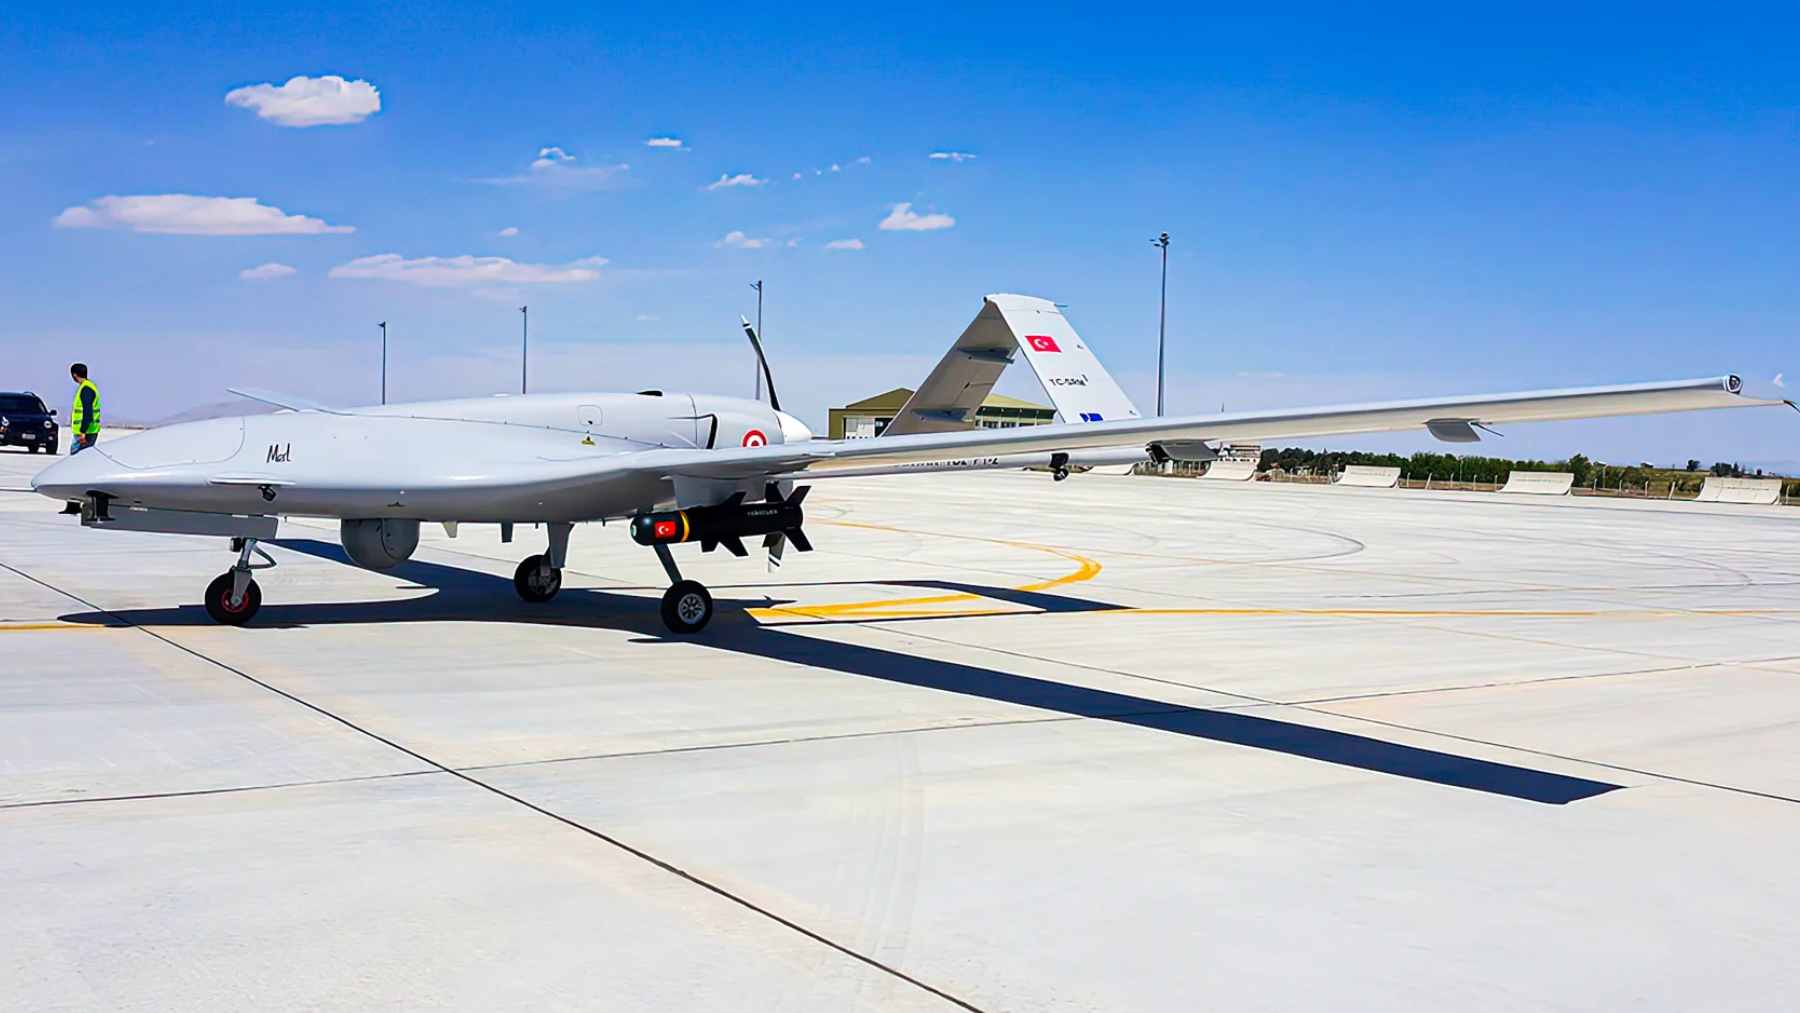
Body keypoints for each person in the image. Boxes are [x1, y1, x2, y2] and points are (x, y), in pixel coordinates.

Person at [68, 363, 101, 454]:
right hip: (89, 431)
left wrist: (83, 432)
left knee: (76, 459)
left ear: (74, 375)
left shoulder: (86, 389)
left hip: (85, 433)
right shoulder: (89, 386)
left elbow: (88, 412)